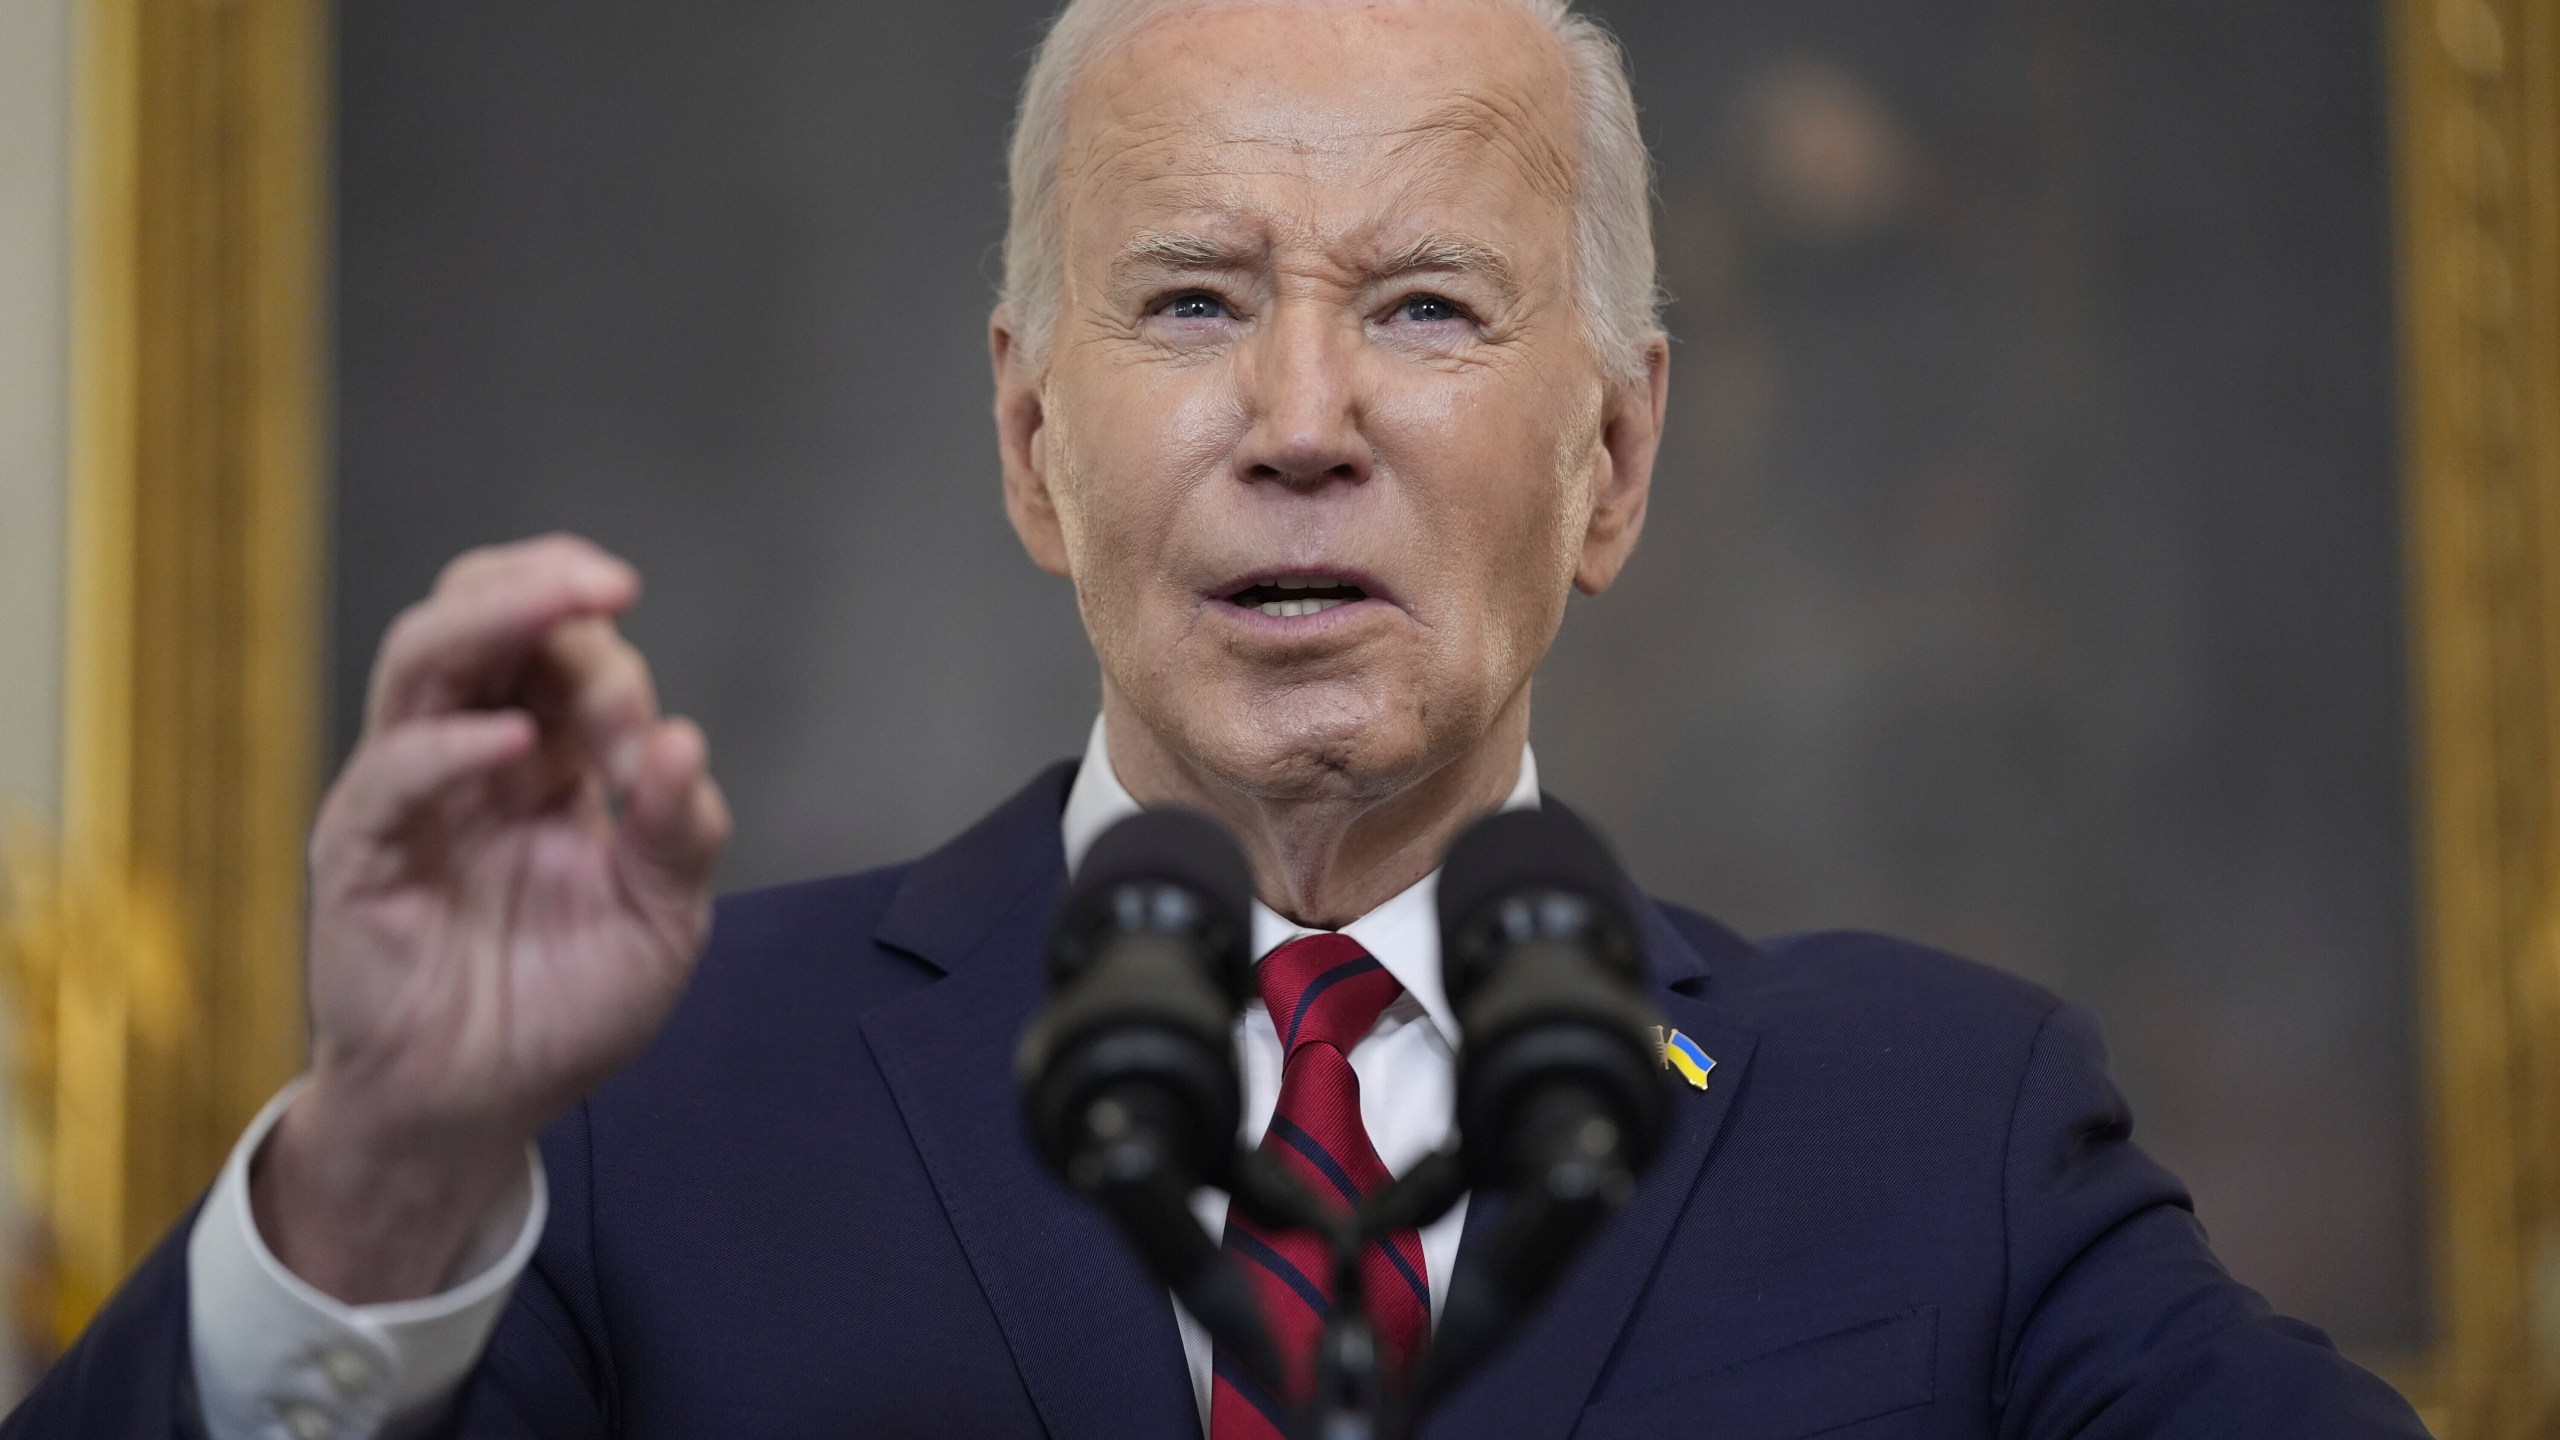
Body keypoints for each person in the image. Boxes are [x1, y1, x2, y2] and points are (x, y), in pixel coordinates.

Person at [6, 0, 2431, 1436]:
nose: (1297, 416)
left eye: (1423, 310)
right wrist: (382, 1183)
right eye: (1183, 303)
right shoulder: (631, 1118)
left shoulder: (1942, 1131)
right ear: (1025, 440)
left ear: (1613, 456)